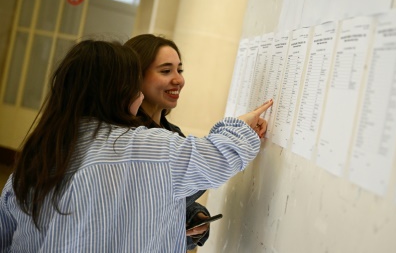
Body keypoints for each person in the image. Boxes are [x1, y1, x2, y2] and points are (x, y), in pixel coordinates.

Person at [0, 40, 272, 252]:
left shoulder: (39, 156)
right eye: (135, 84)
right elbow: (220, 156)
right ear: (118, 91)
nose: (139, 94)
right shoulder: (148, 146)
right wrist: (241, 127)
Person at [125, 34, 213, 250]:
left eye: (179, 70)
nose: (179, 80)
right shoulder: (125, 138)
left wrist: (194, 217)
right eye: (166, 71)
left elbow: (170, 201)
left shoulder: (173, 133)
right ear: (136, 76)